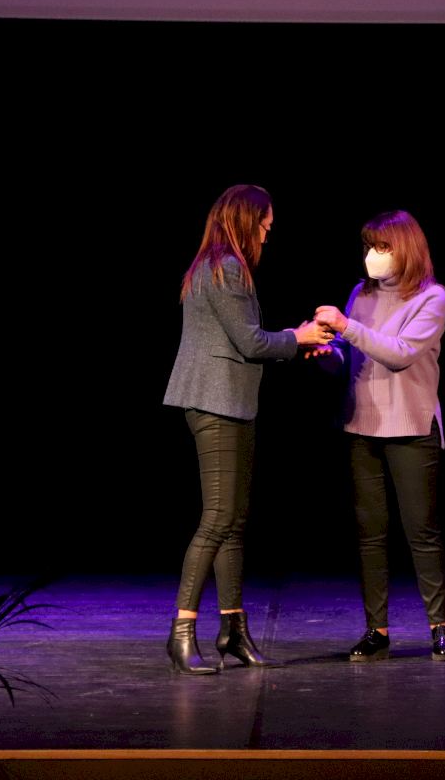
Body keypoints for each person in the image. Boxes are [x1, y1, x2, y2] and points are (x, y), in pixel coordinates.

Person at [162, 184, 332, 675]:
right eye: (263, 225)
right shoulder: (226, 268)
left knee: (234, 521)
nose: (266, 234)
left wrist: (297, 341)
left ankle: (233, 630)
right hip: (215, 402)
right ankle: (181, 632)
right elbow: (251, 343)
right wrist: (298, 337)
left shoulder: (217, 267)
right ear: (245, 220)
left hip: (231, 402)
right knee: (218, 517)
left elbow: (248, 341)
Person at [312, 210, 445, 662]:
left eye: (382, 246)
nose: (373, 255)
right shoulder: (361, 294)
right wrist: (327, 354)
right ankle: (377, 630)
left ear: (405, 249)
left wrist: (347, 327)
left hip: (411, 426)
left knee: (422, 532)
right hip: (363, 425)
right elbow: (349, 357)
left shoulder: (432, 297)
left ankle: (439, 627)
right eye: (369, 246)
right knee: (370, 533)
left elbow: (399, 354)